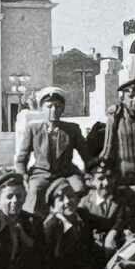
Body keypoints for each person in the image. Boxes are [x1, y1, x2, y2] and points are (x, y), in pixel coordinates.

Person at [14, 88, 88, 216]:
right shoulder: (33, 129)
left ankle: (78, 223)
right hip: (41, 173)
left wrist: (88, 173)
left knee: (79, 188)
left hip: (67, 173)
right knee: (35, 190)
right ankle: (33, 222)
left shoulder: (72, 129)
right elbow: (21, 158)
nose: (53, 110)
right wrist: (23, 176)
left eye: (58, 107)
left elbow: (86, 154)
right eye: (49, 106)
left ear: (63, 109)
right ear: (42, 108)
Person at [40, 178, 102, 269]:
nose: (67, 201)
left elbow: (106, 223)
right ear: (53, 206)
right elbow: (47, 261)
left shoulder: (82, 215)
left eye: (70, 196)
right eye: (61, 199)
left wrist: (116, 230)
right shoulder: (51, 226)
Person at [77, 157, 135, 255]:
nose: (106, 183)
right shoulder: (84, 205)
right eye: (101, 179)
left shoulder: (123, 196)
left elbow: (128, 220)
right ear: (90, 181)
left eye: (109, 177)